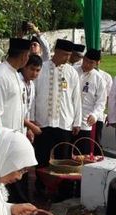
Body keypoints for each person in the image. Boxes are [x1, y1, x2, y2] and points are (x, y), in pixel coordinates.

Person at [33, 39, 81, 192]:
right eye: (64, 54)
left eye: (69, 55)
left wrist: (77, 122)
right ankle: (41, 189)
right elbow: (33, 95)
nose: (67, 58)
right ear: (56, 51)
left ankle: (63, 192)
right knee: (42, 157)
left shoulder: (71, 72)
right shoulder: (42, 68)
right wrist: (32, 119)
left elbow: (76, 98)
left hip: (64, 122)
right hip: (43, 121)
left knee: (64, 160)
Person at [0, 38, 31, 132]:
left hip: (17, 136)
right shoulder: (0, 76)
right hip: (5, 139)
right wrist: (2, 141)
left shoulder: (16, 74)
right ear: (24, 56)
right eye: (28, 55)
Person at [72, 48, 107, 154]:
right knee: (67, 150)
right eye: (85, 60)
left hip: (85, 119)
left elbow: (101, 101)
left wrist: (95, 115)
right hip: (69, 117)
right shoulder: (73, 71)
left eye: (91, 62)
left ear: (97, 63)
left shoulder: (99, 79)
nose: (86, 64)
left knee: (82, 153)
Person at [19, 54, 43, 143]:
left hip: (23, 127)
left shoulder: (32, 84)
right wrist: (31, 126)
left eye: (37, 70)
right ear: (24, 66)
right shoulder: (17, 82)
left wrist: (29, 127)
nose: (34, 73)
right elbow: (16, 112)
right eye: (32, 69)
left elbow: (27, 109)